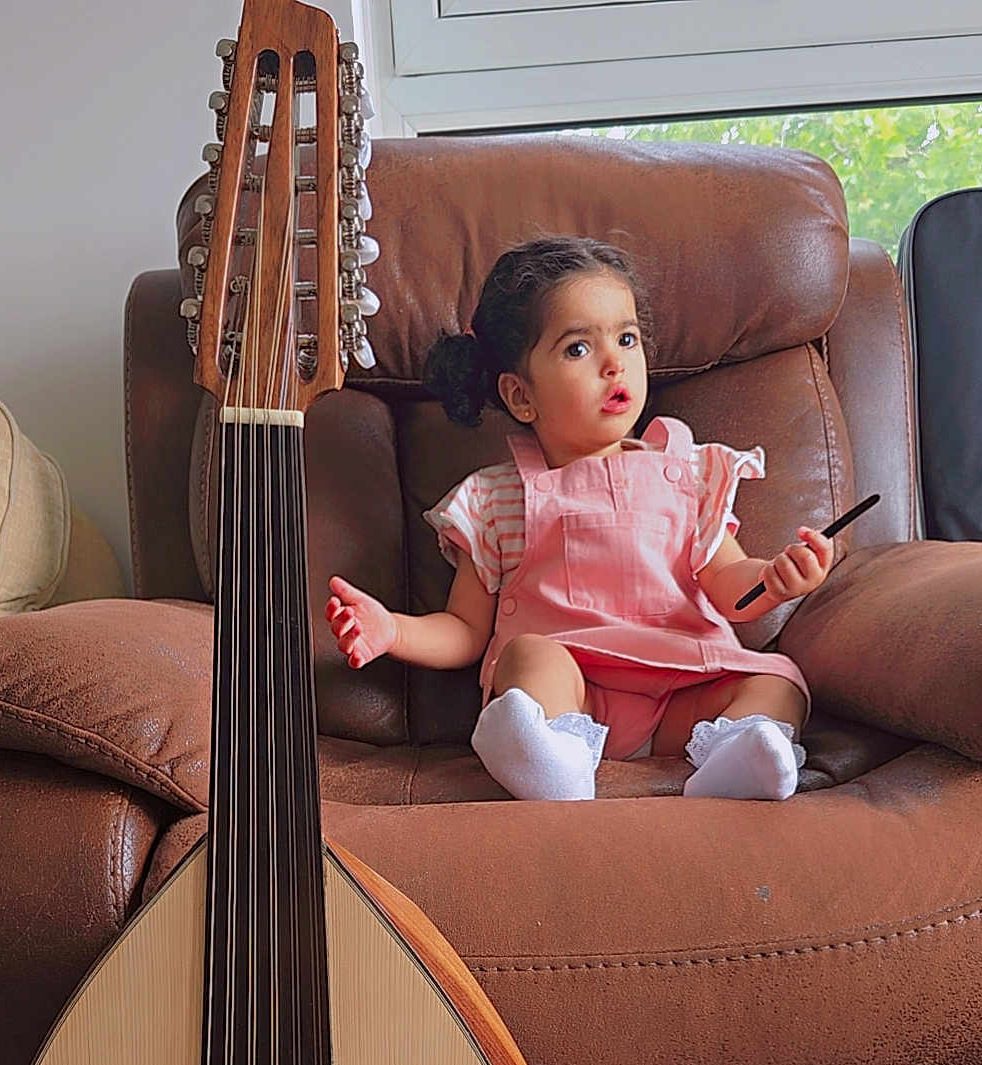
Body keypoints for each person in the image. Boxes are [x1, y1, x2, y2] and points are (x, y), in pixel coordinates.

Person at [325, 236, 832, 801]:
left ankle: (736, 757)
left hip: (682, 688)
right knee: (527, 657)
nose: (615, 361)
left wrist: (777, 579)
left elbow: (732, 588)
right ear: (520, 396)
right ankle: (553, 760)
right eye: (577, 350)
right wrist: (392, 629)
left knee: (779, 679)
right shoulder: (498, 498)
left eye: (626, 338)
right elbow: (468, 631)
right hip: (575, 688)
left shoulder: (691, 472)